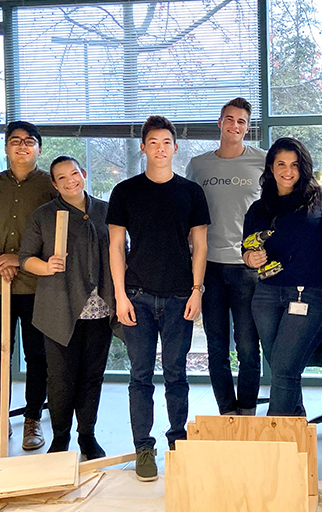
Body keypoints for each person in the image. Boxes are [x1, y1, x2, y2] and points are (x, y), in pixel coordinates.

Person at [107, 115, 209, 482]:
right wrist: (120, 296)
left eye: (167, 142)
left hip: (181, 296)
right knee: (140, 376)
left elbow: (200, 246)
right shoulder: (125, 192)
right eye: (154, 142)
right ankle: (143, 447)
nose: (160, 149)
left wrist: (197, 291)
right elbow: (116, 247)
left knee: (177, 374)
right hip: (138, 296)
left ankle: (178, 441)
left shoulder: (191, 193)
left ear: (175, 148)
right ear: (144, 147)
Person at [0, 121, 55, 454]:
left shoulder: (50, 186)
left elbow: (59, 233)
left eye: (29, 142)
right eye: (14, 141)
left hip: (37, 287)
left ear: (38, 149)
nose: (21, 147)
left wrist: (21, 258)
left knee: (37, 355)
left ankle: (32, 419)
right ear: (5, 148)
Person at [20, 156, 113, 460]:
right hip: (59, 308)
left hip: (99, 309)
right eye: (62, 178)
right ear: (54, 184)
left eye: (74, 173)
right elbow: (25, 258)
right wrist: (46, 267)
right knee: (60, 377)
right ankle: (60, 437)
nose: (70, 180)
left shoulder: (105, 210)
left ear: (83, 174)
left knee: (92, 375)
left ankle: (87, 434)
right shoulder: (44, 216)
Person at [185, 98, 263, 416]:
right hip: (209, 266)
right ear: (219, 122)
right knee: (216, 346)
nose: (235, 126)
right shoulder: (199, 165)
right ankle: (226, 412)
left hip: (246, 267)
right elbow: (187, 212)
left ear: (247, 127)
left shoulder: (263, 161)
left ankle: (246, 410)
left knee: (247, 347)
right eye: (229, 119)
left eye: (241, 121)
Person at [243, 137, 322, 417]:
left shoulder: (321, 200)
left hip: (309, 294)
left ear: (303, 167)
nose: (288, 170)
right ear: (270, 167)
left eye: (294, 164)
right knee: (284, 370)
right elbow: (247, 247)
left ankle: (272, 441)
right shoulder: (258, 208)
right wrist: (250, 258)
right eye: (281, 163)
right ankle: (296, 427)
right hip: (266, 296)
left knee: (283, 368)